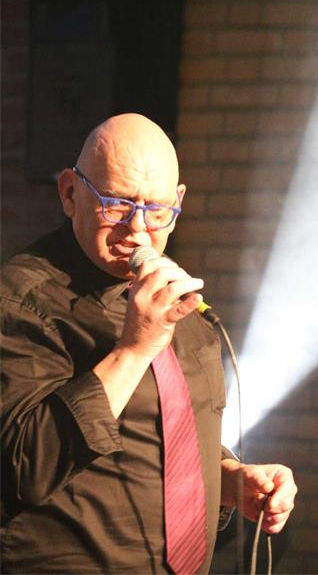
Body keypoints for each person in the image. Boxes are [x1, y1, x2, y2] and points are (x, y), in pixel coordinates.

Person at [1, 113, 297, 574]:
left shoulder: (171, 300)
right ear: (70, 193)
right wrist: (133, 351)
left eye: (157, 210)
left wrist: (228, 478)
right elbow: (22, 466)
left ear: (178, 202)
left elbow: (155, 438)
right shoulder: (21, 300)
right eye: (117, 205)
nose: (138, 229)